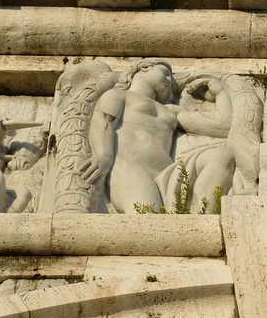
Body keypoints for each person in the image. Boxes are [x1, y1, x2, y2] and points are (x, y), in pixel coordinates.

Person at [81, 58, 234, 213]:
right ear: (145, 67)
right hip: (129, 167)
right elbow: (103, 120)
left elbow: (223, 126)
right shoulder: (118, 95)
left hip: (167, 176)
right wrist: (103, 154)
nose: (169, 80)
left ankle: (202, 221)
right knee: (148, 214)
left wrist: (220, 93)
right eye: (165, 73)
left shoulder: (172, 111)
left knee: (221, 157)